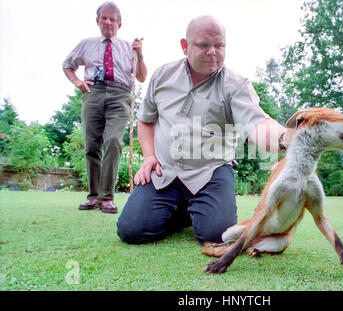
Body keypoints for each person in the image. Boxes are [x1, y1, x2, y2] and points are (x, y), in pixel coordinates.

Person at [117, 15, 286, 244]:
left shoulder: (236, 85)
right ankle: (186, 211)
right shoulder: (162, 76)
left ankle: (199, 210)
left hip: (211, 171)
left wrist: (287, 138)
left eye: (219, 45)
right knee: (132, 230)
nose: (213, 51)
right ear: (185, 47)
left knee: (216, 235)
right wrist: (149, 157)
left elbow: (258, 124)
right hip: (165, 171)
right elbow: (146, 121)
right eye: (203, 45)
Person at [62, 2, 147, 214]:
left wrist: (140, 54)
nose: (108, 22)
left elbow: (142, 76)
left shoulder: (129, 47)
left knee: (113, 142)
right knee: (91, 145)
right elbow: (67, 64)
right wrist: (77, 82)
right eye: (104, 18)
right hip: (93, 94)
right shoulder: (86, 44)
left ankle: (107, 197)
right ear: (98, 21)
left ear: (119, 23)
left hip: (120, 95)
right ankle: (93, 196)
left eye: (112, 19)